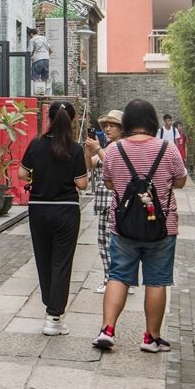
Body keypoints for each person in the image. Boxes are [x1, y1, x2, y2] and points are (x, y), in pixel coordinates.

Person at [92, 99, 187, 353]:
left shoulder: (113, 150)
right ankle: (151, 338)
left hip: (123, 227)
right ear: (152, 122)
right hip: (162, 226)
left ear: (127, 123)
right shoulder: (167, 150)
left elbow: (109, 184)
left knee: (118, 275)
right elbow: (180, 182)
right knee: (156, 281)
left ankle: (107, 329)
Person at [21, 101, 90, 336]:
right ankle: (53, 316)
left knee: (43, 258)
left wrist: (36, 178)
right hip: (66, 211)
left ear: (48, 119)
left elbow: (22, 173)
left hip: (38, 210)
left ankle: (49, 305)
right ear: (71, 121)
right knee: (61, 261)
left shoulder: (36, 144)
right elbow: (82, 183)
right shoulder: (75, 148)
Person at [84, 110, 123, 293]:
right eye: (106, 126)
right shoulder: (108, 146)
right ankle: (118, 280)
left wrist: (98, 149)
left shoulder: (121, 146)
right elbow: (89, 165)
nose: (107, 128)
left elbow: (114, 166)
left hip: (114, 201)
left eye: (112, 125)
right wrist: (88, 150)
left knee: (109, 242)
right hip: (103, 200)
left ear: (122, 129)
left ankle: (111, 280)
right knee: (105, 241)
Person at [28, 28, 52, 95]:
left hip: (37, 59)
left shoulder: (32, 40)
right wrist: (46, 55)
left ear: (31, 34)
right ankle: (46, 94)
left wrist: (30, 58)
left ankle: (38, 94)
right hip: (46, 59)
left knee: (35, 77)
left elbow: (29, 52)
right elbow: (51, 50)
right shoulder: (44, 38)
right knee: (45, 78)